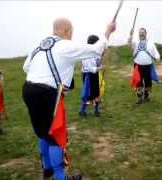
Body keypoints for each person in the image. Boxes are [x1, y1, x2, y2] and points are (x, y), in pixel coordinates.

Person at [22, 17, 116, 179]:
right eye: (71, 31)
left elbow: (26, 67)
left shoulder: (40, 46)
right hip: (47, 95)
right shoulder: (65, 44)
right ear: (66, 30)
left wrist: (49, 77)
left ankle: (47, 167)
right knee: (55, 137)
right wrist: (108, 31)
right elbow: (95, 49)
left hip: (29, 89)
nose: (72, 34)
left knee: (43, 132)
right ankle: (60, 176)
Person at [129, 28, 160, 104]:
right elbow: (129, 43)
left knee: (148, 82)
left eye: (143, 32)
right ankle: (139, 97)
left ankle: (146, 96)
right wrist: (130, 35)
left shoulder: (150, 43)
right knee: (138, 82)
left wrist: (157, 56)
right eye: (140, 32)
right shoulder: (135, 43)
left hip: (148, 66)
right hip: (137, 66)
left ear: (146, 33)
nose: (141, 34)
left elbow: (155, 51)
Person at [79, 35, 105, 117]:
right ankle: (82, 111)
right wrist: (100, 67)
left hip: (95, 74)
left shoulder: (95, 52)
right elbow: (89, 68)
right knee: (87, 94)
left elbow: (97, 62)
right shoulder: (86, 53)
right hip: (88, 76)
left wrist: (100, 62)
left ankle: (96, 110)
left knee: (97, 93)